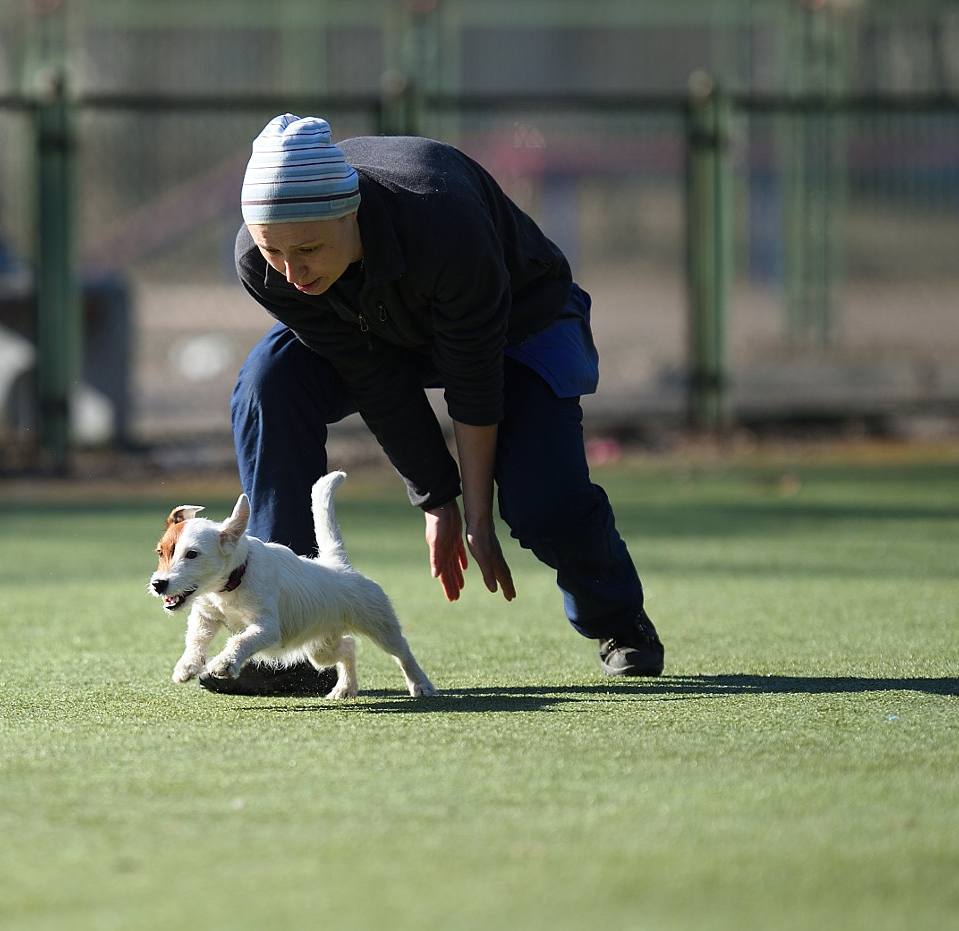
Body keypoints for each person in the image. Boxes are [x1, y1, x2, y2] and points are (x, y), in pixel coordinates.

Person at [208, 113, 664, 696]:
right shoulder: (264, 264)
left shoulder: (441, 217)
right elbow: (371, 375)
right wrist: (434, 495)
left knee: (542, 502)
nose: (292, 274)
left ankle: (618, 620)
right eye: (275, 251)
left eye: (310, 248)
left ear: (352, 212)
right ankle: (289, 638)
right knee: (269, 382)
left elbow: (473, 378)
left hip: (517, 323)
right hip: (377, 328)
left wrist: (474, 513)